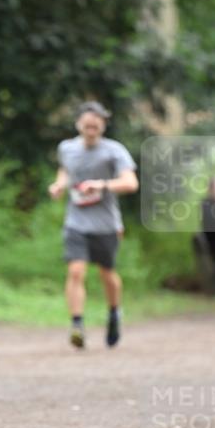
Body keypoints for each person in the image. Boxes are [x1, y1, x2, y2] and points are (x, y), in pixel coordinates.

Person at [49, 100, 138, 348]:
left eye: (96, 125)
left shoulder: (114, 151)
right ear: (78, 124)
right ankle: (77, 324)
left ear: (103, 126)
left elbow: (131, 183)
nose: (91, 129)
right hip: (76, 222)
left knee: (107, 274)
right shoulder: (66, 148)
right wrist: (59, 185)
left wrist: (102, 185)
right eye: (87, 125)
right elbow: (65, 170)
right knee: (76, 271)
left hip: (106, 225)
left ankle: (114, 314)